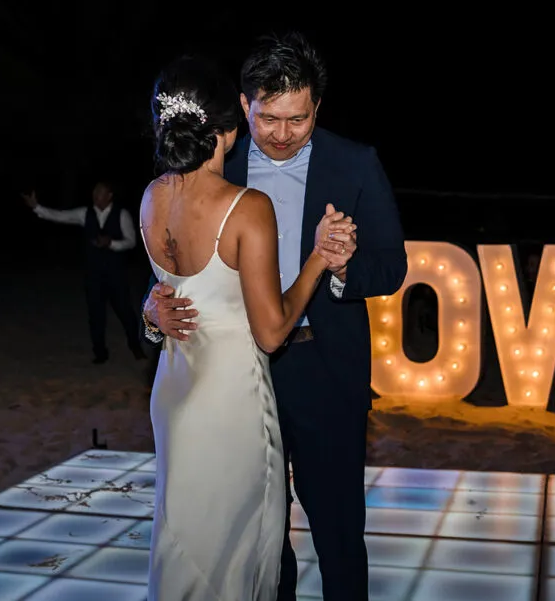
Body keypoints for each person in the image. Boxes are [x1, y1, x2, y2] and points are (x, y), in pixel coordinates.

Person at [143, 32, 408, 600]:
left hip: (326, 370)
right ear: (244, 106)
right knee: (261, 534)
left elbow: (391, 267)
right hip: (239, 382)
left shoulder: (356, 164)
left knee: (338, 533)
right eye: (269, 119)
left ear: (318, 108)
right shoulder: (214, 158)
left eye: (299, 119)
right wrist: (150, 306)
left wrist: (340, 267)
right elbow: (174, 254)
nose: (283, 134)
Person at [22, 181, 146, 364]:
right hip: (94, 274)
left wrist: (111, 243)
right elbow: (60, 216)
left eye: (100, 194)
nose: (96, 197)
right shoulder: (85, 213)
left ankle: (135, 346)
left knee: (126, 312)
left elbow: (131, 241)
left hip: (115, 274)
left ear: (109, 195)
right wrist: (37, 207)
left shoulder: (122, 214)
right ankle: (100, 353)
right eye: (94, 194)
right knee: (96, 315)